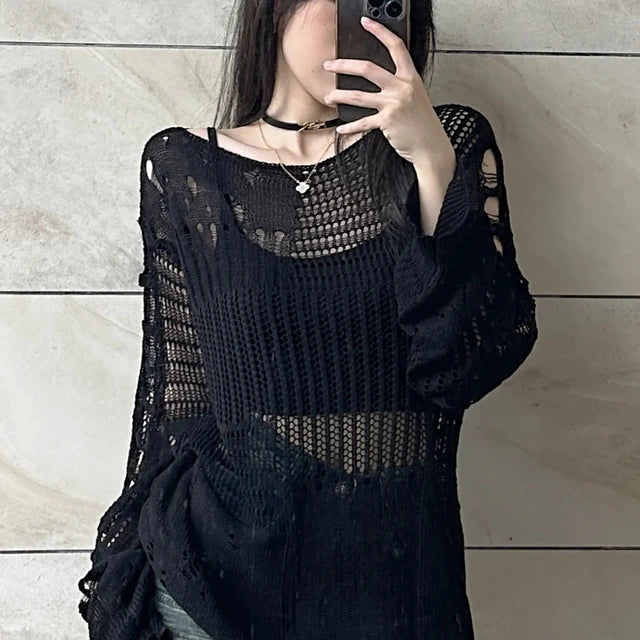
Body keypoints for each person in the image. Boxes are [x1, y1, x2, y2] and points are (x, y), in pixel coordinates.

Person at [77, 1, 539, 639]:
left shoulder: (448, 141)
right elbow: (178, 401)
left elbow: (467, 366)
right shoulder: (184, 168)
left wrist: (432, 162)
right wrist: (126, 562)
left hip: (395, 587)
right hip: (214, 591)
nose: (364, 22)